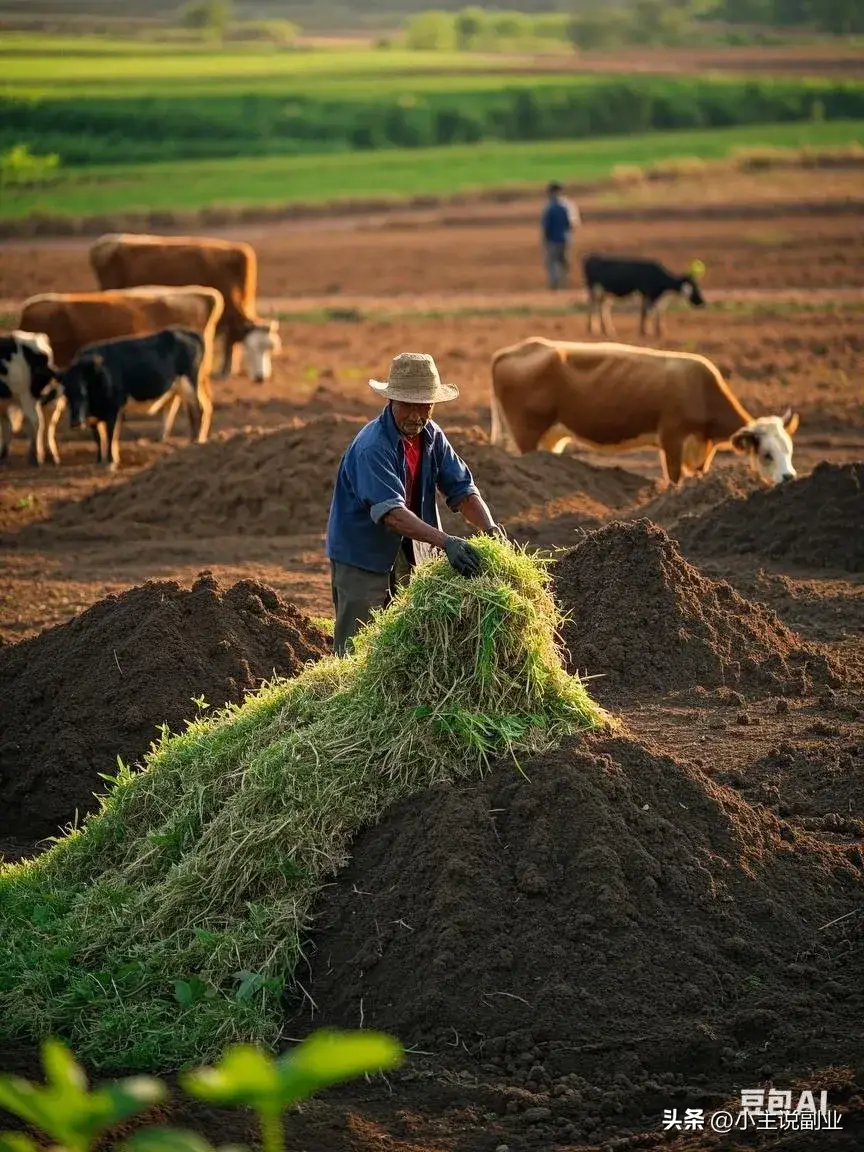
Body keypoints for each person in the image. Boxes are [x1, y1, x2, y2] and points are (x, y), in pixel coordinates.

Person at [325, 351, 505, 657]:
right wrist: (447, 542)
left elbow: (462, 489)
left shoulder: (431, 436)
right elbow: (392, 515)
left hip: (410, 551)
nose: (416, 416)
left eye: (425, 406)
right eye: (408, 405)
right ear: (392, 400)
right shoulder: (373, 446)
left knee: (403, 647)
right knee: (357, 650)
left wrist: (490, 529)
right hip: (363, 555)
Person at [541, 180, 580, 291]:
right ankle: (564, 282)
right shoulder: (569, 205)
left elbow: (546, 226)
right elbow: (574, 223)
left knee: (552, 262)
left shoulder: (550, 207)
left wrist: (545, 239)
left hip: (552, 239)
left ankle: (555, 284)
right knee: (564, 261)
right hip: (566, 238)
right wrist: (567, 233)